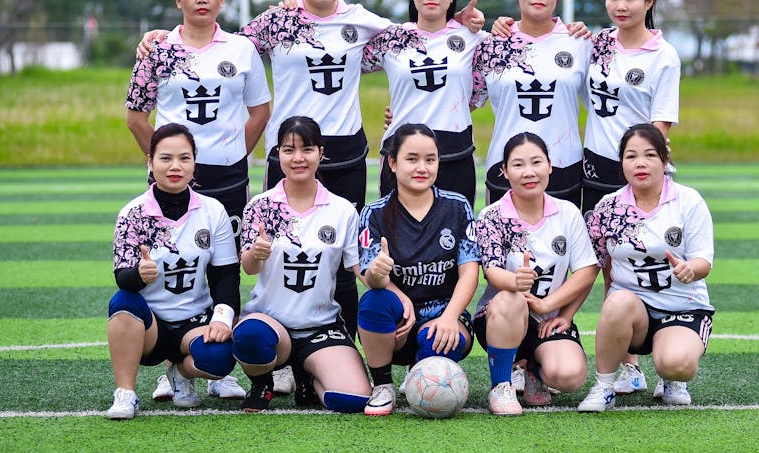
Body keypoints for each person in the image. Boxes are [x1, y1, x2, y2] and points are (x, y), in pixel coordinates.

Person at [138, 0, 483, 358]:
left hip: (348, 154)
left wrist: (461, 23)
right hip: (289, 152)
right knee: (276, 250)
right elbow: (219, 43)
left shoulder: (363, 21)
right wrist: (162, 37)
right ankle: (277, 346)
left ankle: (347, 347)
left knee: (346, 257)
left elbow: (418, 36)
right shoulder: (276, 21)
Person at [125, 0, 268, 401]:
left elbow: (260, 111)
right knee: (168, 266)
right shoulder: (158, 50)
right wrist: (166, 161)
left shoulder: (242, 49)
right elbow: (135, 115)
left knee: (223, 266)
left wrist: (232, 153)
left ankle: (217, 365)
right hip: (171, 182)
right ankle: (170, 365)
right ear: (178, 0)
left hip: (227, 177)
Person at [582, 0, 681, 396]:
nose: (620, 6)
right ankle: (628, 366)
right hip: (595, 168)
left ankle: (668, 362)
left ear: (649, 2)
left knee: (652, 263)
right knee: (609, 270)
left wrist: (642, 175)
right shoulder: (597, 45)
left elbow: (661, 128)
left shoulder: (664, 55)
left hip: (640, 174)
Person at [231, 116, 372, 413]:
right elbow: (249, 268)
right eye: (288, 150)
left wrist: (380, 274)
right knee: (250, 336)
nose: (298, 158)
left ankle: (307, 374)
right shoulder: (260, 206)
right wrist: (255, 253)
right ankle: (262, 383)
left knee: (352, 399)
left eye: (307, 149)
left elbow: (360, 270)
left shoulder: (342, 209)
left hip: (320, 325)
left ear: (321, 153)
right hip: (272, 322)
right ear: (277, 154)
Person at [105, 123, 241, 419]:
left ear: (195, 163)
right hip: (152, 326)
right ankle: (126, 393)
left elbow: (226, 276)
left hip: (195, 321)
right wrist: (139, 275)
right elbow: (122, 279)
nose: (175, 166)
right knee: (121, 303)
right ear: (150, 162)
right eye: (165, 158)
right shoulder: (132, 213)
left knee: (220, 359)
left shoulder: (213, 210)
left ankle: (180, 372)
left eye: (184, 158)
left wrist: (222, 317)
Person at [578, 123, 714, 412]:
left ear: (665, 160)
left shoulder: (688, 201)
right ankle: (604, 386)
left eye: (650, 155)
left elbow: (704, 261)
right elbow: (591, 267)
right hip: (636, 313)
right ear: (622, 164)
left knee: (676, 364)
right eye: (631, 156)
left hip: (682, 308)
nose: (640, 163)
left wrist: (691, 268)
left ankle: (671, 379)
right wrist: (564, 314)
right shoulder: (608, 208)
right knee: (616, 302)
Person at [357, 124, 479, 415]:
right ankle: (383, 385)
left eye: (430, 159)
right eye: (412, 159)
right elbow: (371, 279)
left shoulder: (456, 206)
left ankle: (419, 372)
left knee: (435, 341)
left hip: (443, 318)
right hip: (397, 323)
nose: (422, 167)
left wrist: (450, 317)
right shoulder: (374, 214)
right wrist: (379, 273)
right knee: (373, 301)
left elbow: (470, 272)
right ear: (393, 162)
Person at [474, 132, 599, 415]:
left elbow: (586, 271)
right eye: (518, 165)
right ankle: (502, 386)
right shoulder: (491, 216)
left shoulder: (568, 213)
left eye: (536, 162)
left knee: (569, 377)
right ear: (504, 172)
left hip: (548, 319)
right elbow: (492, 271)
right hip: (500, 317)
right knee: (511, 299)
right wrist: (515, 282)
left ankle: (534, 370)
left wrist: (559, 312)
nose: (528, 172)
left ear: (549, 166)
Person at [362, 0, 485, 206]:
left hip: (455, 153)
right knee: (397, 236)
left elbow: (478, 92)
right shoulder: (391, 39)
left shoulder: (474, 40)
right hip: (401, 153)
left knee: (456, 237)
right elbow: (342, 57)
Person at [471, 0, 590, 208]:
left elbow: (606, 99)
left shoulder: (579, 42)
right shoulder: (492, 45)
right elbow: (464, 100)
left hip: (564, 165)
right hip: (506, 167)